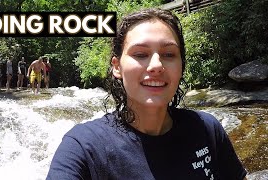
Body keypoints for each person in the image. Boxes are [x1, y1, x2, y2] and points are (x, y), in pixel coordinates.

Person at [46, 8, 247, 180]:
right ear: (117, 67)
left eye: (169, 54)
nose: (156, 65)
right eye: (140, 54)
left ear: (181, 66)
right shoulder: (83, 147)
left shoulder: (207, 129)